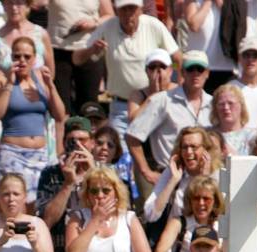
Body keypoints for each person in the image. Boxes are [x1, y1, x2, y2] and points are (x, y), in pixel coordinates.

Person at [73, 0, 180, 147]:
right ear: (116, 10)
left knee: (160, 159)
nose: (128, 14)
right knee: (121, 161)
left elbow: (178, 59)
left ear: (141, 9)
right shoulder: (107, 27)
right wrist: (91, 50)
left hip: (155, 102)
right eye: (124, 9)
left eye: (132, 8)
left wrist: (179, 90)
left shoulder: (153, 25)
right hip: (121, 107)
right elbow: (77, 59)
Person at [0, 35, 65, 201]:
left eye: (27, 56)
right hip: (12, 153)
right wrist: (9, 84)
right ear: (11, 57)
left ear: (34, 59)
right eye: (17, 56)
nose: (22, 60)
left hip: (39, 154)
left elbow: (59, 115)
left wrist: (50, 86)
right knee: (11, 203)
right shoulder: (1, 77)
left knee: (38, 204)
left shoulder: (40, 78)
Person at [127, 49, 213, 199]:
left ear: (207, 73)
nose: (195, 73)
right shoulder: (162, 100)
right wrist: (146, 171)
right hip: (167, 176)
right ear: (182, 73)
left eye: (200, 69)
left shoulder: (213, 103)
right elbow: (132, 136)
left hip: (202, 179)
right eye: (190, 69)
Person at [65, 165, 154, 252]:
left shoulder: (128, 218)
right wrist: (95, 220)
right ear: (87, 195)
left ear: (116, 192)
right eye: (94, 191)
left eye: (106, 190)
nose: (100, 195)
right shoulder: (78, 218)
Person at [35, 116, 96, 252]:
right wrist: (67, 184)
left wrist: (93, 175)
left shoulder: (105, 172)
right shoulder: (51, 174)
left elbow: (112, 213)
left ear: (92, 143)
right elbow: (46, 221)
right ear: (63, 143)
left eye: (83, 140)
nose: (77, 145)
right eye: (72, 140)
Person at [143, 126, 220, 240]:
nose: (189, 152)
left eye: (194, 147)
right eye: (185, 147)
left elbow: (215, 214)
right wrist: (173, 181)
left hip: (205, 244)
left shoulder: (217, 175)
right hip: (175, 247)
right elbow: (150, 215)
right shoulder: (172, 171)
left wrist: (204, 179)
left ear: (205, 150)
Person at [49, 0, 111, 115]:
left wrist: (94, 22)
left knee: (89, 105)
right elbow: (36, 4)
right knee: (62, 106)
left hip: (90, 49)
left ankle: (86, 131)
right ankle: (64, 132)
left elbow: (109, 15)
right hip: (59, 50)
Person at [153, 175, 224, 252]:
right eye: (196, 198)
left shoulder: (222, 224)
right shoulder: (178, 223)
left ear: (215, 202)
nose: (201, 203)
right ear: (190, 200)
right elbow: (161, 250)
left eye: (206, 198)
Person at [184, 0, 239, 95]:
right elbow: (194, 25)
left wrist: (221, 4)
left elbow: (235, 23)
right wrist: (207, 2)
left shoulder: (229, 3)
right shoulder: (194, 2)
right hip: (199, 68)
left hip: (227, 68)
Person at [127, 49, 177, 123]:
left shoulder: (179, 91)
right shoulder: (137, 94)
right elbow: (133, 121)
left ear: (170, 70)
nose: (158, 70)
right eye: (153, 67)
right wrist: (152, 97)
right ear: (146, 71)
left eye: (163, 66)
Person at [210, 84, 256, 156]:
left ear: (241, 106)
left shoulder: (252, 136)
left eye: (230, 103)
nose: (226, 108)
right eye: (221, 104)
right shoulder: (207, 135)